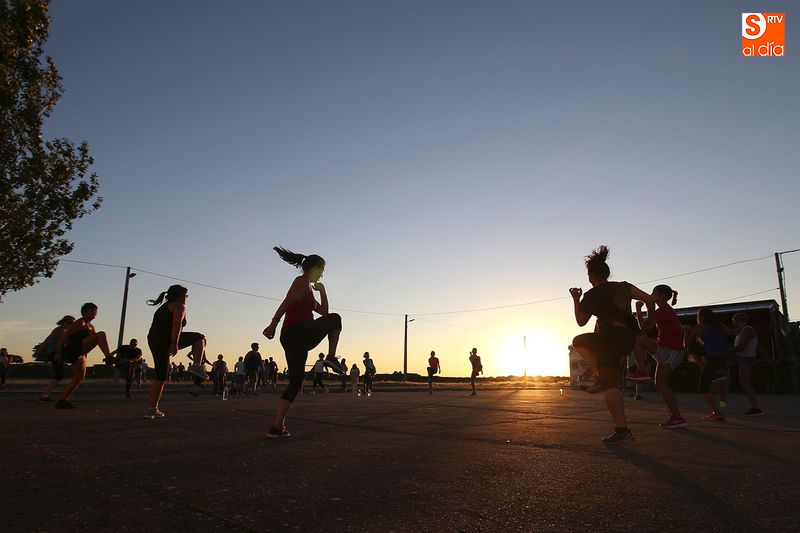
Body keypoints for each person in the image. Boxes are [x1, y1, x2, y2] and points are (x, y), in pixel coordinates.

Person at [570, 246, 655, 443]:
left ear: (591, 277)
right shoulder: (623, 286)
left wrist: (575, 299)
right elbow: (650, 299)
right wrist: (650, 318)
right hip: (627, 339)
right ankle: (604, 372)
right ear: (607, 273)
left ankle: (622, 429)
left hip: (611, 338)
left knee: (580, 343)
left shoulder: (591, 295)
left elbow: (581, 321)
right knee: (585, 344)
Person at [262, 247, 343, 438]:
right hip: (299, 331)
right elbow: (287, 301)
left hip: (293, 337)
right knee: (336, 318)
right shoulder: (302, 282)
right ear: (314, 268)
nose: (323, 274)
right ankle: (331, 357)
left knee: (296, 382)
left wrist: (323, 291)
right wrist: (273, 322)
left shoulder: (308, 290)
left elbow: (323, 311)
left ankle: (276, 426)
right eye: (322, 270)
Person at [145, 285, 207, 419]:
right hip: (167, 339)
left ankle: (152, 409)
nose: (187, 299)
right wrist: (174, 343)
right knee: (199, 337)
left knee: (161, 375)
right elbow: (176, 324)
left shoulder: (165, 306)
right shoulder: (179, 306)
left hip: (154, 340)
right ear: (181, 296)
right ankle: (196, 365)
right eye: (186, 296)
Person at [634, 285, 687, 428]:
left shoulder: (664, 310)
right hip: (669, 349)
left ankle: (642, 370)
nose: (651, 295)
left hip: (671, 350)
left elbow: (643, 328)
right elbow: (644, 327)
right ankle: (676, 417)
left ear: (662, 296)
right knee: (661, 384)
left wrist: (642, 307)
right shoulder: (663, 311)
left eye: (653, 293)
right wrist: (640, 309)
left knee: (635, 339)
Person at [53, 303, 114, 409]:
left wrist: (85, 355)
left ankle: (62, 400)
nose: (95, 313)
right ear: (85, 312)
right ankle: (108, 357)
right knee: (101, 334)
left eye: (96, 311)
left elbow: (94, 342)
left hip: (81, 353)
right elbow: (64, 336)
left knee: (78, 378)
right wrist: (58, 352)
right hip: (74, 349)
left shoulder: (91, 327)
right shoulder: (80, 322)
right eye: (92, 310)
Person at [687, 308, 732, 422]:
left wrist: (685, 332)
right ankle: (717, 372)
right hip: (724, 355)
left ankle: (717, 413)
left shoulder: (699, 327)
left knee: (703, 386)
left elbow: (687, 344)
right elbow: (731, 332)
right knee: (697, 351)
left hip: (714, 357)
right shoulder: (717, 324)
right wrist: (743, 328)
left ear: (700, 317)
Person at [37, 315, 76, 401]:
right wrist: (40, 351)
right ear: (63, 322)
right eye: (69, 323)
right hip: (54, 353)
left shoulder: (66, 330)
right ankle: (44, 395)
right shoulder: (59, 330)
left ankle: (45, 394)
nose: (71, 325)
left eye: (73, 323)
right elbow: (47, 339)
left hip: (58, 353)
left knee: (59, 375)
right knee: (59, 375)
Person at [731, 313, 763, 416]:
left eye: (735, 321)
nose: (734, 324)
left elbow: (742, 346)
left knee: (746, 383)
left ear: (740, 320)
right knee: (744, 382)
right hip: (742, 359)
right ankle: (754, 407)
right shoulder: (742, 330)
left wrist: (728, 351)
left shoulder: (747, 329)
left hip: (746, 358)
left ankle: (756, 408)